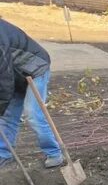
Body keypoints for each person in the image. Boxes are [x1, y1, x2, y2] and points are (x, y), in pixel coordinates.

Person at [0, 19, 63, 168]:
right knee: (8, 116)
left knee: (33, 113)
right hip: (15, 73)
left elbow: (4, 77)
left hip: (35, 69)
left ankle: (54, 153)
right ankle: (3, 154)